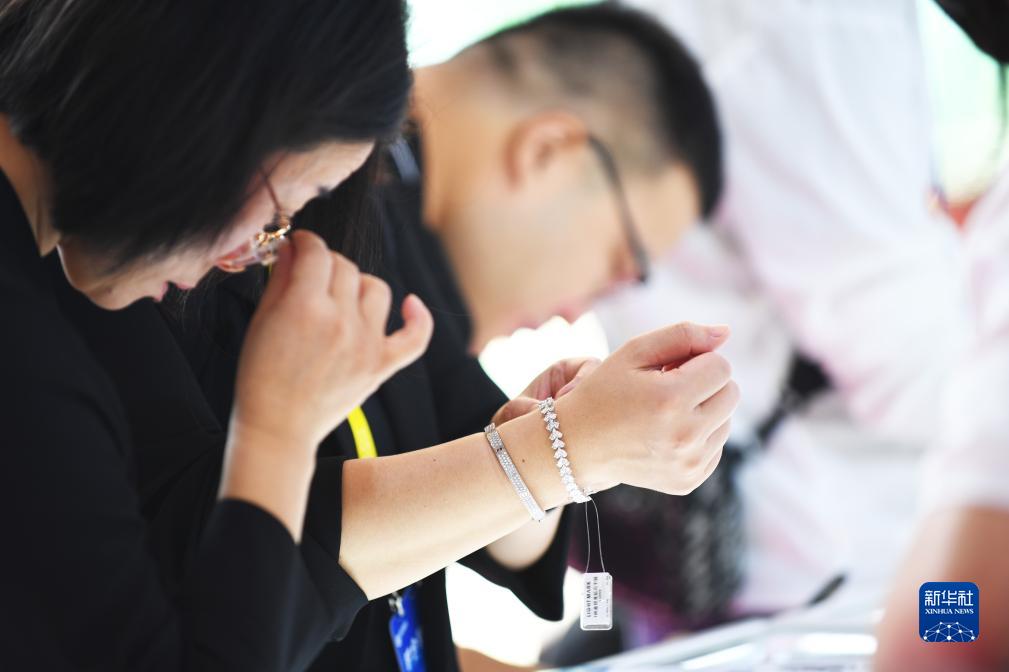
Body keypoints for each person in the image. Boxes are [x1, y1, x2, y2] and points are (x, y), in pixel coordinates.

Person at [39, 4, 740, 671]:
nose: (574, 311)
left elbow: (496, 507)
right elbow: (217, 574)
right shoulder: (137, 271)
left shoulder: (368, 240)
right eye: (617, 262)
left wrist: (558, 441)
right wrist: (564, 451)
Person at [0, 0, 430, 669]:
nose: (243, 260)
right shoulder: (27, 359)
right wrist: (277, 427)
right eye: (278, 212)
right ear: (208, 112)